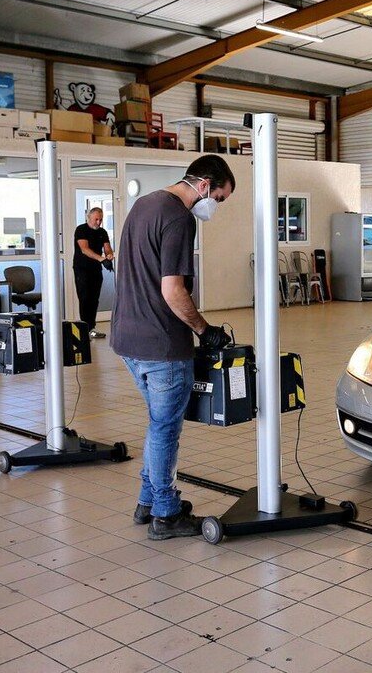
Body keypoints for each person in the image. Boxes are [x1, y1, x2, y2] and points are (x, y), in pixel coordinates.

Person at [111, 155, 235, 540]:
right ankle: (165, 514)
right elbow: (172, 289)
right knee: (165, 429)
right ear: (203, 186)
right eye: (219, 197)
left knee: (157, 423)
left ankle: (147, 502)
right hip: (161, 343)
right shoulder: (179, 217)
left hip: (127, 338)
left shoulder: (143, 204)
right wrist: (204, 330)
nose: (215, 205)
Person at [73, 207, 114, 339]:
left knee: (94, 299)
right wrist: (102, 259)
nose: (98, 222)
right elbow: (85, 249)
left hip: (96, 269)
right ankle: (85, 329)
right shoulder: (81, 230)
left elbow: (107, 249)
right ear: (89, 218)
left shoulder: (102, 232)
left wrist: (109, 256)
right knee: (85, 298)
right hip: (82, 269)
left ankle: (91, 328)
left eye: (100, 219)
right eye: (96, 219)